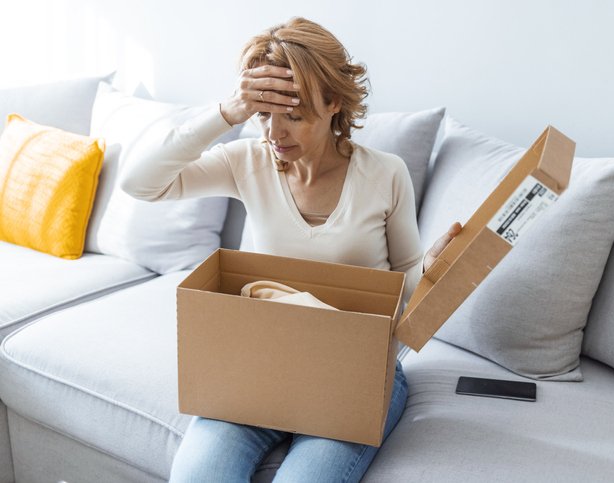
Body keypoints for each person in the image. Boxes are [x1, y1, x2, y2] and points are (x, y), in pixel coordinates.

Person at [121, 16, 461, 483]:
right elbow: (139, 183)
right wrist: (227, 112)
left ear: (334, 102)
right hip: (258, 366)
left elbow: (402, 285)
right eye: (264, 114)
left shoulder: (385, 174)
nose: (274, 134)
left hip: (355, 373)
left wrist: (432, 268)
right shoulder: (247, 162)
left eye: (294, 117)